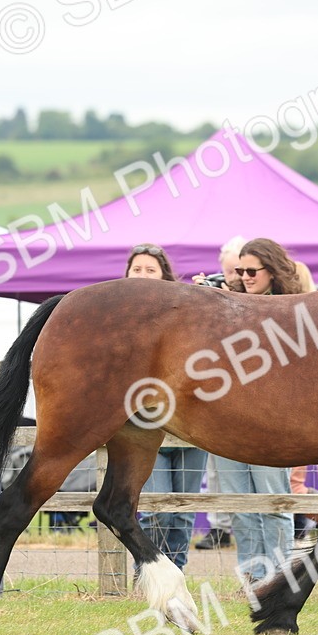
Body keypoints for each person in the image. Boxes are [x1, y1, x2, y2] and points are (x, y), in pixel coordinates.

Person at [211, 237, 306, 583]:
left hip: (271, 420)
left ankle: (281, 577)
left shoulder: (291, 307)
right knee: (238, 504)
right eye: (241, 271)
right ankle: (252, 577)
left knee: (274, 502)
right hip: (227, 417)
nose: (246, 276)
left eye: (253, 271)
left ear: (272, 271)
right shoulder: (227, 302)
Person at [125, 243, 209, 570]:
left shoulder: (184, 314)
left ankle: (177, 574)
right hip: (145, 426)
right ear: (127, 274)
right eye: (137, 269)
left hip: (192, 427)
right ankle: (148, 572)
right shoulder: (118, 320)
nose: (143, 276)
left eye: (150, 270)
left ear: (164, 275)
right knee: (158, 509)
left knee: (184, 511)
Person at [193, 236, 246, 550]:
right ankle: (219, 526)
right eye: (228, 273)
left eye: (240, 272)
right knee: (215, 469)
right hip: (216, 389)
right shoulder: (215, 294)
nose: (234, 279)